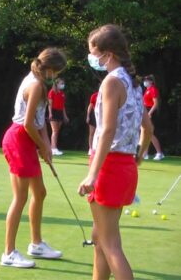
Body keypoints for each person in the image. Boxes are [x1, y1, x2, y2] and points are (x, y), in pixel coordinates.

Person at [78, 24, 153, 280]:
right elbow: (148, 128)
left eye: (93, 52)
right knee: (100, 239)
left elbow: (107, 131)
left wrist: (92, 175)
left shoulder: (112, 82)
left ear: (108, 54)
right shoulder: (133, 83)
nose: (92, 58)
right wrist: (139, 157)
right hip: (125, 167)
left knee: (111, 246)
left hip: (109, 167)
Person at [0, 47, 67, 268]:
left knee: (40, 192)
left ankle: (36, 244)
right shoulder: (36, 84)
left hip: (28, 139)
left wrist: (46, 146)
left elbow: (40, 123)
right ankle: (8, 253)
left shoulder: (39, 82)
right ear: (50, 68)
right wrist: (42, 147)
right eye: (56, 71)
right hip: (19, 139)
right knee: (20, 198)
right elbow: (28, 124)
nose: (56, 76)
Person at [142, 74, 165, 160]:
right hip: (146, 111)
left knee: (150, 133)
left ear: (151, 81)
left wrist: (149, 113)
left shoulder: (153, 89)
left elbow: (155, 104)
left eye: (147, 80)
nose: (145, 82)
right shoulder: (147, 90)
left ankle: (159, 153)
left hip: (150, 111)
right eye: (145, 80)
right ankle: (145, 154)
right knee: (146, 133)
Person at [48, 78, 69, 156]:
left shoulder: (62, 93)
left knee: (57, 131)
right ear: (56, 84)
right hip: (54, 112)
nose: (62, 85)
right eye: (61, 83)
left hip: (60, 112)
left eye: (63, 83)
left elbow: (63, 106)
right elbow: (50, 104)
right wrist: (50, 113)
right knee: (54, 131)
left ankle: (54, 147)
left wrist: (65, 116)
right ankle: (53, 148)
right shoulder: (52, 92)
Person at [86, 90, 99, 156]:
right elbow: (90, 106)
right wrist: (88, 116)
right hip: (93, 115)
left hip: (102, 115)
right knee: (92, 132)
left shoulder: (107, 94)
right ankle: (90, 148)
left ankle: (98, 148)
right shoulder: (94, 95)